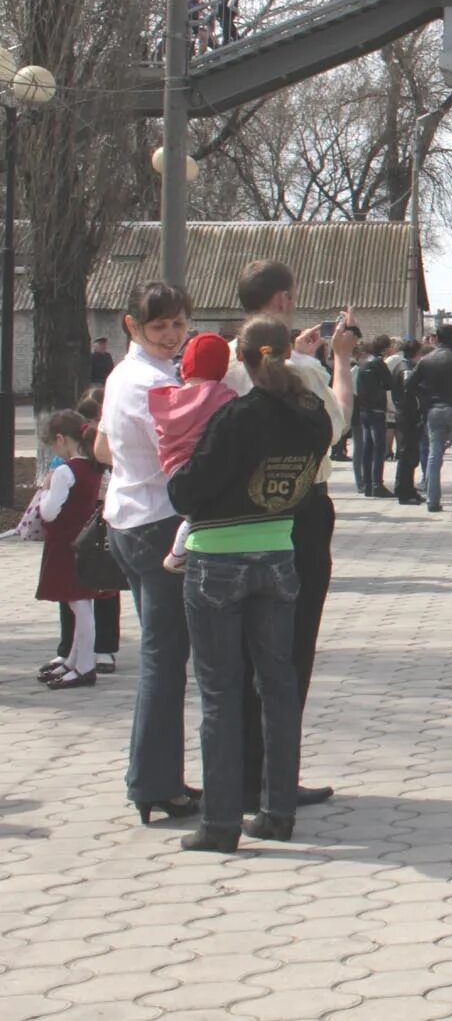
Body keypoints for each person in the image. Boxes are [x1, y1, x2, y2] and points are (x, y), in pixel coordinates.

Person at [169, 314, 332, 853]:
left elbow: (190, 492)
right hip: (279, 553)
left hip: (218, 558)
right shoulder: (312, 418)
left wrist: (176, 469)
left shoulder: (237, 417)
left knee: (220, 692)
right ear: (290, 353)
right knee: (279, 685)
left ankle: (220, 824)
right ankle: (277, 809)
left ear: (242, 358)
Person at [221, 263, 354, 813]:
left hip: (234, 516)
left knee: (237, 654)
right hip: (299, 509)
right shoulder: (300, 370)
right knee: (290, 646)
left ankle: (237, 771)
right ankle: (276, 776)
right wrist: (340, 360)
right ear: (281, 300)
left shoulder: (226, 360)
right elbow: (336, 424)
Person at [97, 281, 199, 824]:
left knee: (165, 655)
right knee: (165, 657)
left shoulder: (130, 375)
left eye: (179, 324)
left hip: (133, 515)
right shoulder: (150, 382)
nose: (171, 335)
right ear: (132, 325)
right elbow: (175, 456)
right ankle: (154, 782)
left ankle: (157, 777)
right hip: (155, 522)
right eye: (159, 326)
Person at [42, 390, 119, 681]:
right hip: (85, 540)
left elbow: (49, 512)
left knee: (78, 604)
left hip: (65, 543)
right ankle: (75, 659)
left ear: (61, 439)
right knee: (82, 602)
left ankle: (83, 664)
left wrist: (46, 489)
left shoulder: (64, 472)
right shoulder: (93, 469)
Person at [149, 331, 237, 574]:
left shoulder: (171, 397)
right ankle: (177, 555)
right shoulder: (222, 395)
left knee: (190, 513)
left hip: (174, 467)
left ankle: (179, 554)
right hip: (203, 472)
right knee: (194, 517)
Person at [411, 324, 452, 519]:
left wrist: (425, 399)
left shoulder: (426, 360)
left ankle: (432, 500)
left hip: (435, 410)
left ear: (437, 338)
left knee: (433, 455)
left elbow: (410, 384)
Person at [351, 334, 395, 497]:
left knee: (367, 447)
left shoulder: (363, 363)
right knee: (379, 447)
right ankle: (377, 484)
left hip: (363, 410)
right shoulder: (378, 363)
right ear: (384, 349)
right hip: (376, 410)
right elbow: (389, 383)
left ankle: (367, 483)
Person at [392, 339, 426, 504]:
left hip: (408, 414)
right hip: (407, 416)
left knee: (411, 454)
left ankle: (409, 489)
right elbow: (408, 388)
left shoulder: (404, 365)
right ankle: (403, 491)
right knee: (407, 453)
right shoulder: (406, 369)